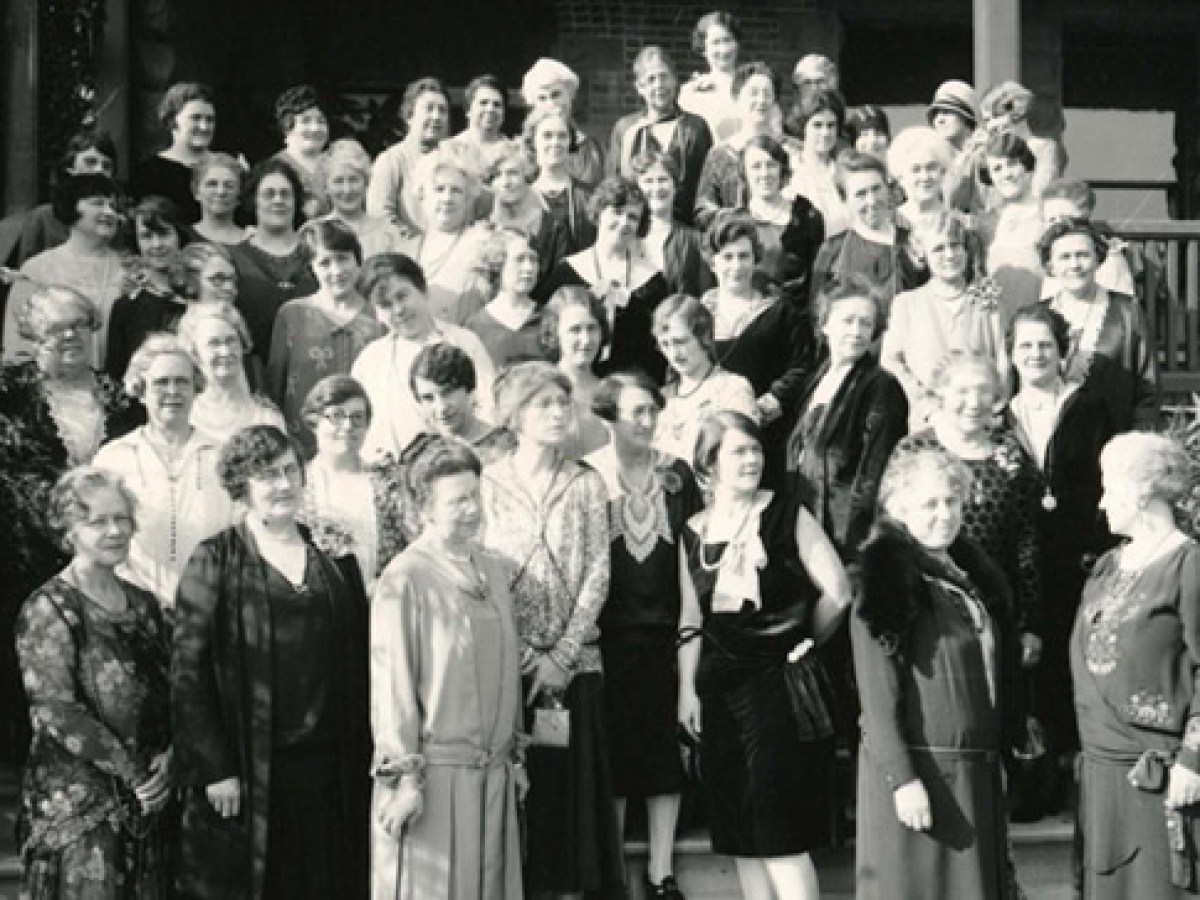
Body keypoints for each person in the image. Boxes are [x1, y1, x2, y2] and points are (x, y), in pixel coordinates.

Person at [172, 424, 371, 900]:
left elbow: (362, 658)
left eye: (289, 471)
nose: (282, 485)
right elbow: (188, 673)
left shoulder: (334, 555)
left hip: (328, 767)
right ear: (242, 487)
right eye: (266, 475)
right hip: (251, 768)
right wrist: (215, 766)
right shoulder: (215, 559)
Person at [677, 411, 852, 900]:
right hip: (718, 689)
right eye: (738, 450)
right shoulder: (692, 530)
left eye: (755, 449)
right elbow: (691, 616)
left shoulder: (787, 512)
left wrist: (801, 644)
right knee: (741, 833)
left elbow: (837, 592)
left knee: (778, 830)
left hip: (773, 686)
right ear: (708, 465)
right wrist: (686, 693)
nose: (752, 458)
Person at [479, 361, 624, 899]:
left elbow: (598, 572)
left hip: (574, 669)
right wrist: (521, 655)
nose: (559, 413)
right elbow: (483, 571)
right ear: (516, 416)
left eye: (563, 403)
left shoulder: (587, 482)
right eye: (544, 403)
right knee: (519, 799)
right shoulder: (489, 483)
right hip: (507, 670)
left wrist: (561, 656)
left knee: (572, 801)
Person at [852, 447, 1021, 900]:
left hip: (971, 774)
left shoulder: (966, 577)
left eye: (952, 502)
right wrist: (904, 780)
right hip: (923, 775)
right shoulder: (887, 580)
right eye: (929, 504)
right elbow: (877, 697)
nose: (943, 514)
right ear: (899, 508)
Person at [370, 437, 528, 900]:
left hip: (493, 779)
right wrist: (404, 779)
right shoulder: (405, 579)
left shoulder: (493, 570)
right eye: (458, 500)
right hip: (435, 784)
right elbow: (392, 686)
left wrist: (515, 753)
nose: (472, 509)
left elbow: (506, 667)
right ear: (425, 508)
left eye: (476, 495)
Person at [15, 467, 174, 898]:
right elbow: (55, 710)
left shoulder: (146, 607)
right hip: (79, 813)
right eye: (98, 521)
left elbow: (178, 688)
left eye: (122, 519)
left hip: (151, 808)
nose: (115, 531)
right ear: (69, 529)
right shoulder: (49, 607)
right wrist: (133, 774)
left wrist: (172, 755)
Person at [586, 372, 703, 900]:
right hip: (603, 634)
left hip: (663, 634)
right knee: (610, 754)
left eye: (652, 410)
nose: (647, 420)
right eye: (636, 411)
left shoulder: (677, 475)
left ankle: (661, 874)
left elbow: (693, 555)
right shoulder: (588, 475)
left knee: (661, 754)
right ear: (608, 416)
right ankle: (612, 874)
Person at [1072, 432, 1200, 900]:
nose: (1102, 502)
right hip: (1102, 774)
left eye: (1110, 486)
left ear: (1143, 490)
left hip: (1162, 777)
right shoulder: (1110, 565)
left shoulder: (1189, 565)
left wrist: (1193, 759)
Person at [1005, 304, 1116, 809]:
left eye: (1045, 345)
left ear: (1062, 350)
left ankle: (1083, 778)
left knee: (1079, 665)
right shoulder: (997, 414)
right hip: (1021, 566)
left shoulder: (1089, 407)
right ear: (1011, 353)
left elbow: (1107, 478)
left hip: (1079, 559)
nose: (1035, 354)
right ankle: (1036, 781)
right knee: (1032, 668)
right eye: (1025, 346)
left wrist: (1100, 546)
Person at [893, 352, 1042, 690]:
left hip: (995, 605)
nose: (973, 402)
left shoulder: (1010, 455)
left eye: (983, 391)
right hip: (929, 605)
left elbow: (1027, 543)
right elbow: (891, 531)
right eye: (962, 391)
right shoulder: (914, 449)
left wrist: (1030, 623)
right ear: (941, 393)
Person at [94, 334, 235, 608]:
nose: (173, 391)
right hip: (135, 610)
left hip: (210, 609)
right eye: (161, 383)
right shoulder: (114, 459)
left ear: (196, 388)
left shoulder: (223, 457)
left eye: (182, 381)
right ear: (141, 390)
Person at [786, 275, 908, 559]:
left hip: (846, 536)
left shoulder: (882, 387)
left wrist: (857, 545)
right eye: (848, 320)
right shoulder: (816, 379)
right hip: (803, 524)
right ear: (825, 324)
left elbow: (875, 476)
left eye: (865, 323)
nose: (857, 331)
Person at [701, 210, 818, 488]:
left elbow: (804, 365)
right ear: (713, 263)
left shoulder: (781, 311)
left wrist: (768, 404)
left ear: (756, 259)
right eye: (727, 257)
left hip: (767, 434)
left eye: (744, 256)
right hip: (713, 432)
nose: (736, 266)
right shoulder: (700, 314)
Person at [351, 253, 496, 462]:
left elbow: (489, 407)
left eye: (402, 296)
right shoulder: (370, 361)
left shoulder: (463, 342)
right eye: (385, 305)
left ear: (423, 291)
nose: (398, 310)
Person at [535, 176, 669, 381]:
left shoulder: (652, 280)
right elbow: (546, 333)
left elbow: (659, 340)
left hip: (633, 382)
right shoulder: (567, 271)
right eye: (616, 212)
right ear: (598, 214)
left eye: (633, 217)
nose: (624, 223)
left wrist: (630, 303)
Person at [267, 219, 384, 454]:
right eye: (325, 262)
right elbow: (274, 386)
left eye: (343, 258)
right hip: (305, 444)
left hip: (366, 442)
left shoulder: (379, 317)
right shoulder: (292, 314)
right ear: (312, 268)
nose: (336, 271)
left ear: (357, 261)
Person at [882, 211, 1006, 429]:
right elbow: (890, 361)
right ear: (922, 256)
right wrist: (924, 402)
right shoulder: (908, 303)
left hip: (979, 418)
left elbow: (1002, 358)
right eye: (938, 248)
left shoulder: (985, 297)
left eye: (955, 245)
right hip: (930, 421)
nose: (949, 255)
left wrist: (995, 406)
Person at [1039, 217, 1160, 430]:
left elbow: (1147, 386)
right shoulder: (1037, 315)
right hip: (1050, 440)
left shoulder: (1127, 312)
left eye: (1083, 255)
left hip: (1114, 439)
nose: (1075, 265)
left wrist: (1137, 442)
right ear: (1051, 266)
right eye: (1065, 257)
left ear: (1098, 259)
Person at [5, 174, 127, 368]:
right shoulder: (37, 269)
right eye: (98, 203)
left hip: (115, 389)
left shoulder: (128, 269)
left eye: (114, 207)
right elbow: (17, 344)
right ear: (71, 207)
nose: (109, 212)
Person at [300, 375, 407, 590]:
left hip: (382, 601)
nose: (348, 426)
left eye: (357, 417)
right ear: (314, 422)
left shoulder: (388, 482)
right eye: (336, 416)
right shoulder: (299, 486)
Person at [609, 46, 713, 227]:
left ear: (675, 81)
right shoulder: (626, 129)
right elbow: (614, 187)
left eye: (664, 76)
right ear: (640, 87)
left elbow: (705, 189)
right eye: (651, 79)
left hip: (686, 230)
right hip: (637, 230)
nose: (659, 85)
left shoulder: (696, 127)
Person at [228, 158, 319, 363]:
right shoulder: (234, 259)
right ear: (254, 200)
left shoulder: (317, 256)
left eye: (285, 193)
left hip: (312, 368)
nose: (278, 200)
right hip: (253, 372)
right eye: (269, 194)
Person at [811, 151, 926, 310]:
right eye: (861, 194)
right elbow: (818, 312)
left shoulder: (912, 243)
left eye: (876, 189)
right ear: (845, 200)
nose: (871, 201)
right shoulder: (834, 251)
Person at [652, 292, 757, 463]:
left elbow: (742, 456)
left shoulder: (733, 389)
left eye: (681, 342)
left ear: (705, 337)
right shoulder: (660, 399)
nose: (674, 354)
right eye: (665, 344)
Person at [396, 145, 493, 325]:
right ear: (422, 194)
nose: (447, 198)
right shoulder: (405, 250)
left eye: (456, 190)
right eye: (439, 189)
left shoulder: (484, 245)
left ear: (468, 197)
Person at [693, 62, 791, 230]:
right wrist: (732, 220)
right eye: (754, 93)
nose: (761, 100)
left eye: (767, 93)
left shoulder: (791, 150)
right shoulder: (720, 154)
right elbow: (703, 210)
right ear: (737, 98)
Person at [105, 196, 193, 380]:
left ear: (179, 236)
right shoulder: (126, 307)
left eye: (164, 234)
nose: (156, 245)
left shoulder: (199, 296)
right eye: (146, 236)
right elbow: (116, 376)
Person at [176, 302, 286, 445]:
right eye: (214, 343)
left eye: (231, 341)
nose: (225, 352)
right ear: (194, 352)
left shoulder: (265, 417)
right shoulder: (183, 417)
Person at [740, 134, 824, 308]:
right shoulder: (736, 220)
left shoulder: (806, 216)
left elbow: (818, 277)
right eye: (756, 166)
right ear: (744, 173)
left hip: (795, 316)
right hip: (749, 315)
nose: (764, 173)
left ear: (782, 169)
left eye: (771, 165)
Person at [17, 128, 118, 265]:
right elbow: (26, 277)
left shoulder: (116, 223)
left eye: (106, 166)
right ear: (70, 167)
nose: (99, 170)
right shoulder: (42, 219)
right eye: (90, 162)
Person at [976, 133, 1045, 326]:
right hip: (1000, 325)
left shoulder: (1047, 214)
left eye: (1012, 163)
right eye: (997, 169)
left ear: (1026, 166)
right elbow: (983, 283)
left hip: (1040, 321)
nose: (1006, 174)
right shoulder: (987, 223)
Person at [367, 76, 452, 233]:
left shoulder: (453, 160)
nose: (436, 116)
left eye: (442, 110)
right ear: (409, 116)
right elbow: (380, 217)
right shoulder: (391, 160)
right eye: (429, 108)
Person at [406, 342, 514, 463]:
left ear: (470, 391)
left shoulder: (509, 447)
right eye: (428, 398)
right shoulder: (422, 457)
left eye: (447, 392)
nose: (441, 407)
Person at [538, 286, 612, 460]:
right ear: (555, 332)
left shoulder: (612, 392)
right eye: (575, 330)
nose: (586, 340)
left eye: (592, 328)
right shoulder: (538, 390)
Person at [486, 138, 571, 288]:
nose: (506, 182)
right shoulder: (484, 226)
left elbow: (559, 284)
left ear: (527, 176)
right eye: (497, 175)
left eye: (512, 173)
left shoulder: (555, 227)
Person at [631, 150, 716, 298]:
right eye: (648, 181)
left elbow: (706, 297)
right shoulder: (626, 236)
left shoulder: (695, 241)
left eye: (663, 179)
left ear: (675, 186)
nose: (656, 188)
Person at [130, 82, 217, 223]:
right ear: (172, 120)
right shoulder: (150, 173)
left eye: (210, 119)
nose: (204, 126)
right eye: (195, 118)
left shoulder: (226, 167)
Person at [466, 227, 547, 367]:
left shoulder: (549, 318)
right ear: (498, 264)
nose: (528, 268)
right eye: (519, 259)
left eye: (533, 259)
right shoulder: (475, 326)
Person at [521, 57, 606, 190]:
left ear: (570, 94)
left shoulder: (592, 148)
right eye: (542, 98)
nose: (551, 104)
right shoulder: (524, 150)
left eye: (556, 95)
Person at [317, 138, 405, 258]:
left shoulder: (388, 233)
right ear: (326, 187)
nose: (347, 190)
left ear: (366, 183)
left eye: (354, 180)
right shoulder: (314, 232)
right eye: (338, 181)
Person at [526, 106, 597, 254]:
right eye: (547, 135)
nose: (555, 142)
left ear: (570, 141)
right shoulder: (522, 197)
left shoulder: (590, 196)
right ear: (533, 141)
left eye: (562, 136)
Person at [783, 89, 850, 237]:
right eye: (817, 125)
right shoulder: (790, 169)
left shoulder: (844, 171)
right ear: (803, 127)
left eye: (831, 125)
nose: (825, 133)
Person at [678, 11, 742, 143]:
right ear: (703, 48)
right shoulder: (691, 92)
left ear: (737, 44)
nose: (723, 49)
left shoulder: (753, 84)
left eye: (728, 40)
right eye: (715, 42)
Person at [273, 85, 331, 217]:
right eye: (306, 121)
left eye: (321, 121)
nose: (315, 128)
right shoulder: (275, 167)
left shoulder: (337, 163)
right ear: (287, 127)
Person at [887, 126, 957, 235]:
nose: (925, 177)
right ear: (901, 177)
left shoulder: (962, 224)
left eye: (931, 167)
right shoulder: (887, 223)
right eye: (916, 169)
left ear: (942, 171)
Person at [446, 74, 510, 176]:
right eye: (483, 103)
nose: (490, 109)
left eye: (497, 104)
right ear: (468, 110)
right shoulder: (450, 150)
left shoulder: (513, 152)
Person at [191, 152, 250, 245]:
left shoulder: (252, 240)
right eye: (212, 184)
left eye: (229, 186)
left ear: (240, 194)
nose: (221, 192)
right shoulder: (183, 237)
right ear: (196, 192)